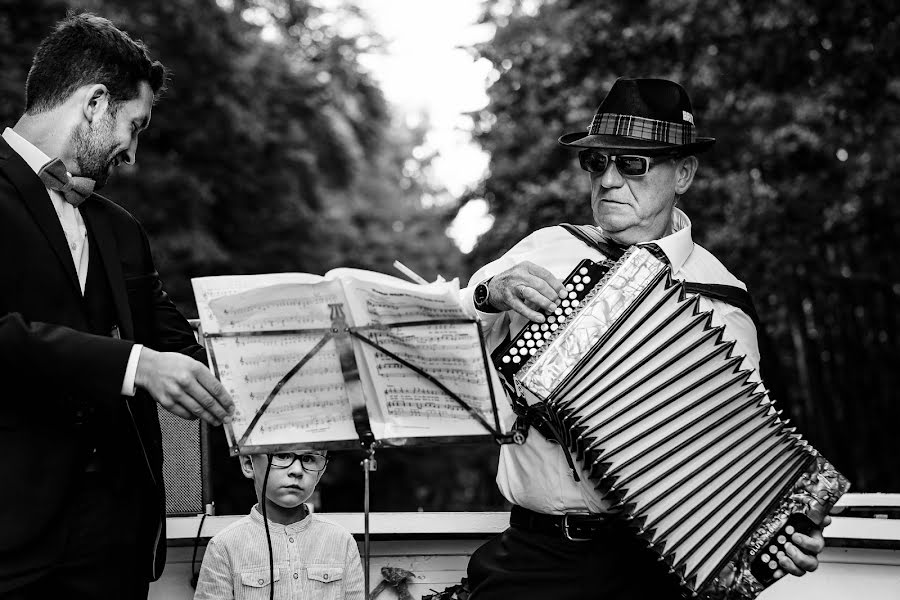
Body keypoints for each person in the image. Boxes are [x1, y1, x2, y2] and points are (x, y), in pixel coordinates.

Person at [461, 77, 829, 599]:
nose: (608, 180)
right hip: (535, 557)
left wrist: (782, 527)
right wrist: (487, 293)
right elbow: (446, 325)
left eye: (632, 163)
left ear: (683, 173)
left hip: (654, 566)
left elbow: (737, 451)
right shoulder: (548, 249)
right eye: (597, 163)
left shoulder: (721, 298)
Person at [0, 13, 234, 599]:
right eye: (135, 125)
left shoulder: (121, 230)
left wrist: (293, 359)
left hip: (113, 542)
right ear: (95, 102)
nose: (131, 152)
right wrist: (135, 366)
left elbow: (177, 340)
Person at [194, 450, 365, 599]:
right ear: (248, 464)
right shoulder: (225, 546)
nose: (297, 471)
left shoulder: (341, 541)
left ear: (321, 472)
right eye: (282, 456)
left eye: (308, 459)